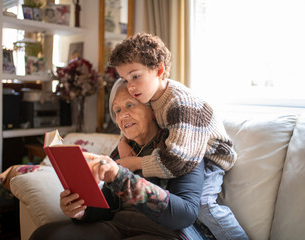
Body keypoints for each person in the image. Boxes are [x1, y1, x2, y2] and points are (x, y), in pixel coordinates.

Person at [29, 80, 210, 240]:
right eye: (117, 110)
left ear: (152, 109)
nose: (122, 116)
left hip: (162, 232)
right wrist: (81, 211)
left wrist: (121, 178)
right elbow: (108, 205)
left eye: (130, 105)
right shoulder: (123, 148)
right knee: (44, 235)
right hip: (118, 226)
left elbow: (184, 215)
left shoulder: (181, 146)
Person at [108, 33, 248, 239]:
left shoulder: (180, 104)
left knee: (204, 204)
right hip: (185, 148)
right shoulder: (151, 96)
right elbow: (131, 120)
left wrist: (135, 163)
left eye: (135, 76)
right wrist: (123, 140)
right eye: (125, 79)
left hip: (210, 154)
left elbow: (176, 161)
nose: (130, 86)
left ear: (160, 69)